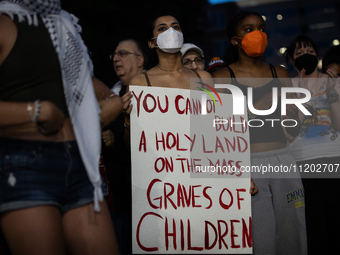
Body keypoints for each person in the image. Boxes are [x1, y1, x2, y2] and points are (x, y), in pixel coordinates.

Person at [0, 1, 122, 254]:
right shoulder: (3, 22)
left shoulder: (65, 25)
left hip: (80, 164)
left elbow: (91, 87)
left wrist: (114, 103)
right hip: (26, 166)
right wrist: (35, 111)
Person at [213, 10, 307, 255]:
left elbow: (293, 129)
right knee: (260, 241)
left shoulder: (281, 73)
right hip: (248, 167)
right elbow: (219, 133)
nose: (258, 34)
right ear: (235, 39)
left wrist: (295, 111)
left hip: (284, 161)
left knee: (294, 237)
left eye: (262, 29)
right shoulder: (221, 78)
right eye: (249, 29)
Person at [285, 35, 340, 255]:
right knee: (313, 225)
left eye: (309, 50)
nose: (305, 55)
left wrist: (333, 93)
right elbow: (289, 133)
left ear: (317, 55)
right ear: (291, 61)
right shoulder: (288, 86)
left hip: (334, 159)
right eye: (299, 53)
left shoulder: (332, 82)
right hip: (303, 162)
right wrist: (301, 97)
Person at [102, 38, 147, 255]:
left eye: (123, 53)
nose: (116, 58)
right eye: (114, 54)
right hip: (123, 199)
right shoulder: (109, 98)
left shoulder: (159, 92)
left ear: (140, 60)